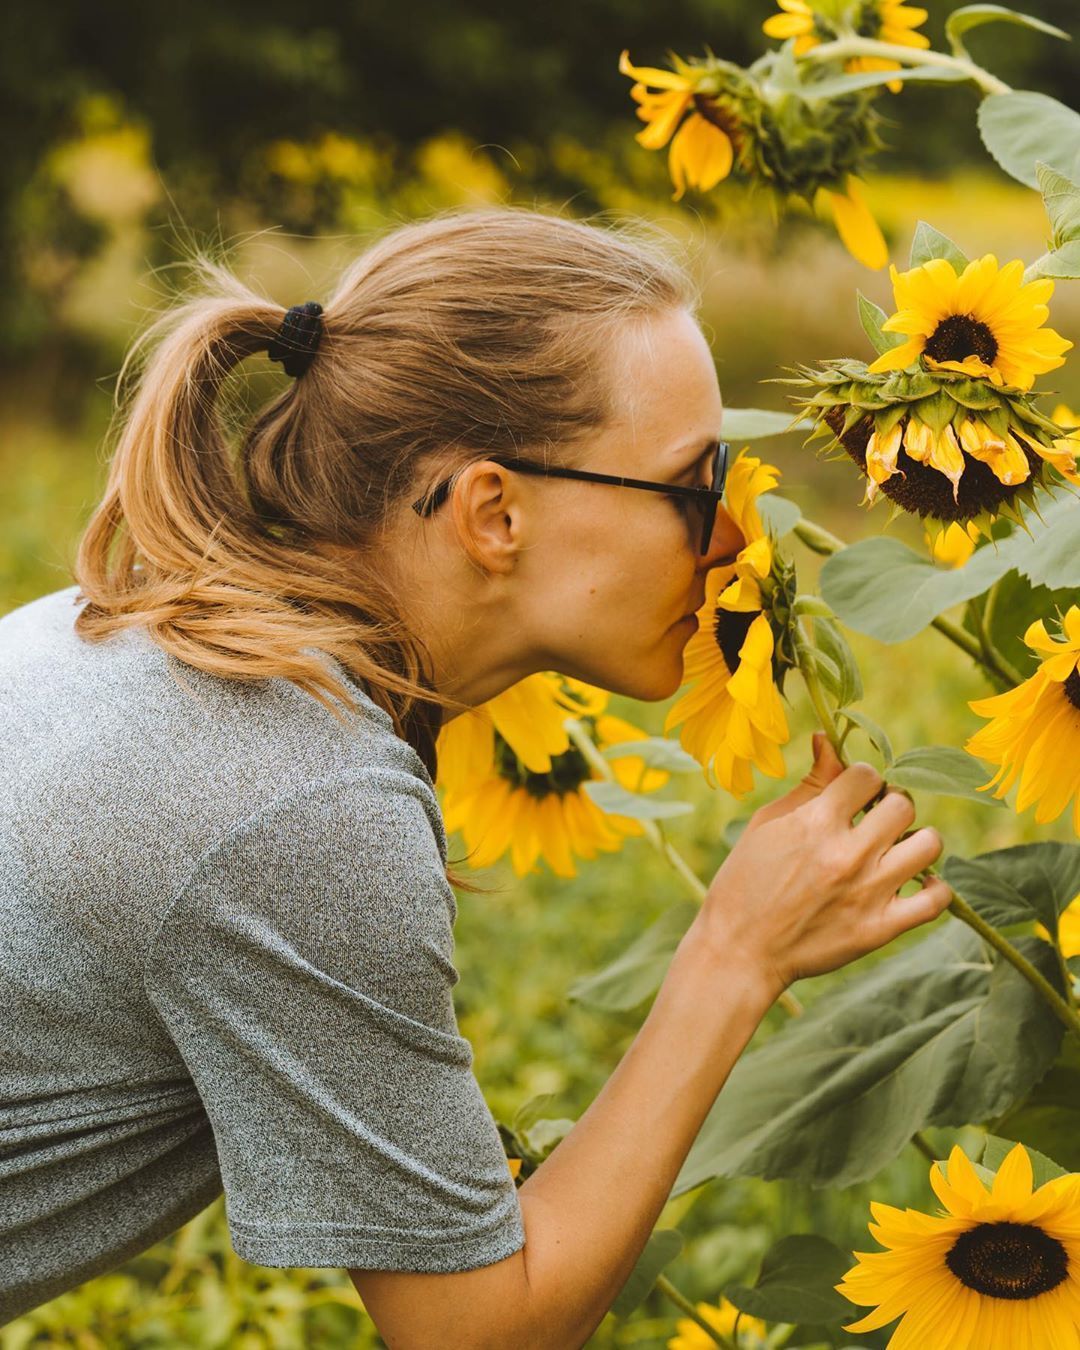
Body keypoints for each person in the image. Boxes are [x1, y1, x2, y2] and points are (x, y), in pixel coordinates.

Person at [0, 206, 948, 1344]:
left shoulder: (142, 628)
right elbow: (476, 1334)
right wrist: (736, 953)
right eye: (698, 487)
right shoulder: (298, 806)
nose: (735, 541)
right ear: (495, 513)